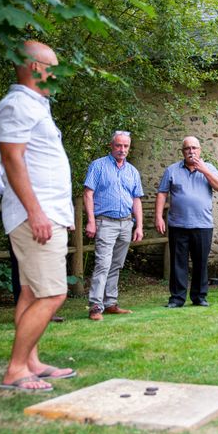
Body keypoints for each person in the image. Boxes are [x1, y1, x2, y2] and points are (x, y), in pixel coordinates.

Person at [0, 41, 76, 391]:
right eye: (53, 66)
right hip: (35, 217)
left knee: (30, 292)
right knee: (53, 295)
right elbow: (13, 161)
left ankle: (31, 362)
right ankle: (15, 370)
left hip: (47, 213)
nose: (57, 74)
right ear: (36, 67)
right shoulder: (17, 106)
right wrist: (37, 212)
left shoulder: (35, 106)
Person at [155, 136, 218, 308]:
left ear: (200, 150)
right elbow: (162, 193)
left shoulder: (209, 168)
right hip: (178, 224)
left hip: (203, 224)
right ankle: (177, 299)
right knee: (178, 263)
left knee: (201, 262)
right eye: (188, 148)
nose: (191, 151)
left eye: (194, 148)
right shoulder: (172, 170)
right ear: (183, 152)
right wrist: (158, 217)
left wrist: (204, 171)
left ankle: (199, 297)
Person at [0, 159, 64, 322]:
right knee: (22, 268)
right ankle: (24, 311)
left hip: (45, 216)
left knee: (45, 264)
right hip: (18, 218)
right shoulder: (3, 156)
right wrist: (19, 187)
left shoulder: (39, 158)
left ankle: (45, 310)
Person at [84, 131, 144, 321]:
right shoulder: (98, 166)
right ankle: (95, 306)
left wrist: (139, 226)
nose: (122, 149)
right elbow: (88, 194)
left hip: (126, 223)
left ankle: (110, 304)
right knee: (103, 264)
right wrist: (91, 221)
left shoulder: (132, 171)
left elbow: (136, 200)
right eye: (118, 145)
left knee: (116, 265)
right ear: (111, 146)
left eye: (126, 146)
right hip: (105, 222)